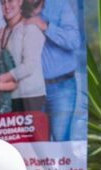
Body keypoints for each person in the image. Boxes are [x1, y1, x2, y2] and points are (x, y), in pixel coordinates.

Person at [26, 0, 82, 141]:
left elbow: (74, 41)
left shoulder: (60, 5)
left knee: (60, 141)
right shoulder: (17, 9)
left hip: (61, 88)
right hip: (32, 92)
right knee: (37, 144)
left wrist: (46, 26)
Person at [0, 0, 47, 113]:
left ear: (20, 1)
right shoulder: (3, 32)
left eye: (10, 1)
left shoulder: (30, 27)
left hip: (31, 96)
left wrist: (2, 79)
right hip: (9, 98)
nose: (6, 6)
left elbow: (29, 65)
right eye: (3, 2)